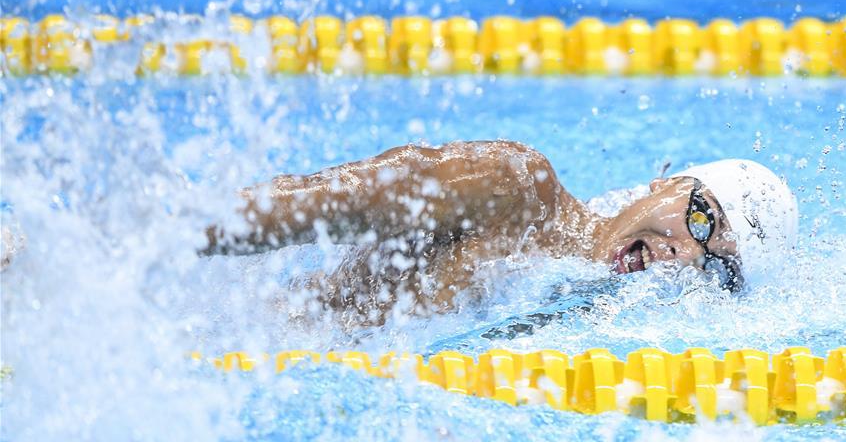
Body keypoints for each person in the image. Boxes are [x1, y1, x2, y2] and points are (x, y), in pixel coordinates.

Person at [205, 140, 799, 326]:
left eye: (717, 264)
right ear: (663, 184)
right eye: (702, 220)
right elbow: (293, 207)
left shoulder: (598, 318)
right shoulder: (513, 187)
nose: (686, 255)